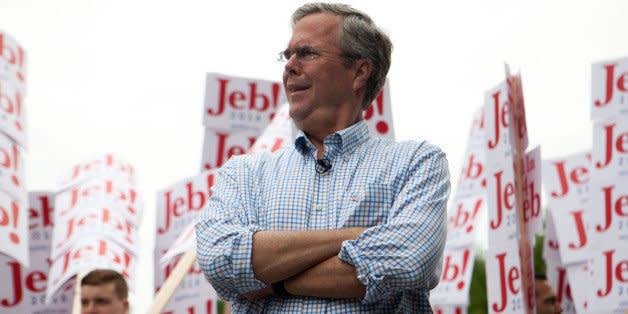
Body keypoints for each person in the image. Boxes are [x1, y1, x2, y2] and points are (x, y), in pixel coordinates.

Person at [196, 2, 450, 312]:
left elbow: (407, 260)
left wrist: (273, 278)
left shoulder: (417, 163)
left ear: (359, 72)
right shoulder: (245, 172)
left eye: (306, 53)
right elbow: (219, 261)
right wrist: (354, 238)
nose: (289, 66)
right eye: (287, 55)